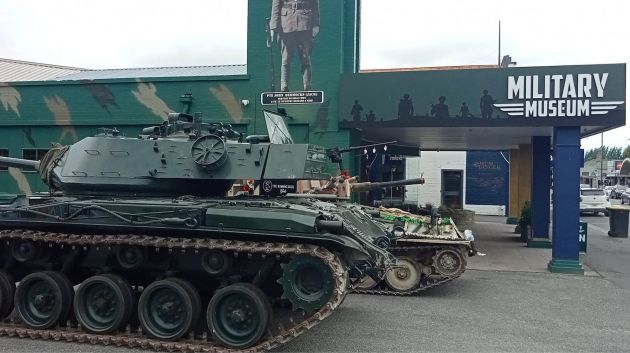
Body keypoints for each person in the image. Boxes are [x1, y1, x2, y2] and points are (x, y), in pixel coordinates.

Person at [269, 0, 320, 92]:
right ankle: (284, 85)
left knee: (305, 57)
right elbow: (276, 6)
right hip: (286, 24)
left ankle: (307, 86)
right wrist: (273, 27)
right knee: (286, 58)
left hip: (305, 22)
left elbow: (315, 5)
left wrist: (316, 24)